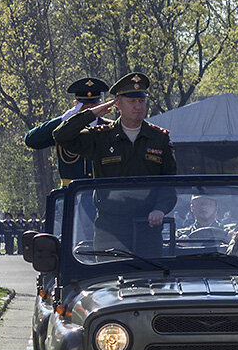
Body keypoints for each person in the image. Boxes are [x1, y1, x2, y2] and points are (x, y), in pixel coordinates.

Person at [53, 72, 178, 251]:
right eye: (132, 101)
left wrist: (160, 208)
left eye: (141, 101)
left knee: (149, 278)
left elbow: (169, 182)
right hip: (110, 228)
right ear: (117, 104)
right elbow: (61, 136)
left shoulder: (159, 138)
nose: (138, 106)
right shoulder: (102, 136)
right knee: (107, 277)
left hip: (148, 225)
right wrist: (90, 114)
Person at [25, 77, 110, 186]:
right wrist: (63, 120)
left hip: (102, 191)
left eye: (93, 105)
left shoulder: (109, 127)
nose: (89, 110)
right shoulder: (63, 129)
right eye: (84, 106)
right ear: (76, 105)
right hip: (70, 193)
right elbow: (31, 140)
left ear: (100, 104)